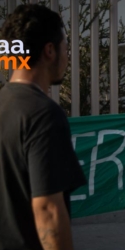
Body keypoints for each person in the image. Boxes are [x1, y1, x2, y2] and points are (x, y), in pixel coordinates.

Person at [0, 4, 86, 250]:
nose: (67, 56)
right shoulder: (43, 115)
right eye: (66, 47)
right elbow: (48, 211)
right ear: (50, 50)